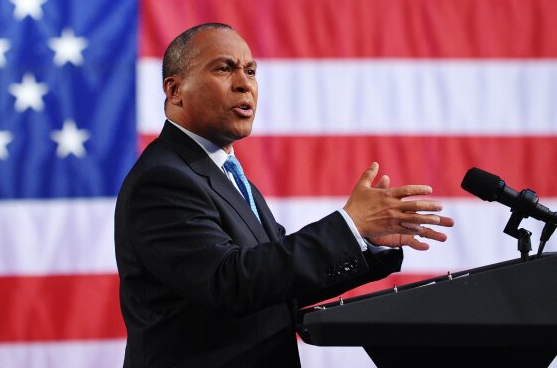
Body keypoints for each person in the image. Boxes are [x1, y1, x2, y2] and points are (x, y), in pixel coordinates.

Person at [114, 23, 454, 367]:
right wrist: (348, 226)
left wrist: (363, 239)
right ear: (175, 91)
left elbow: (276, 285)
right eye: (223, 68)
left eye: (250, 71)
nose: (244, 83)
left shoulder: (222, 172)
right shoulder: (163, 179)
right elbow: (229, 283)